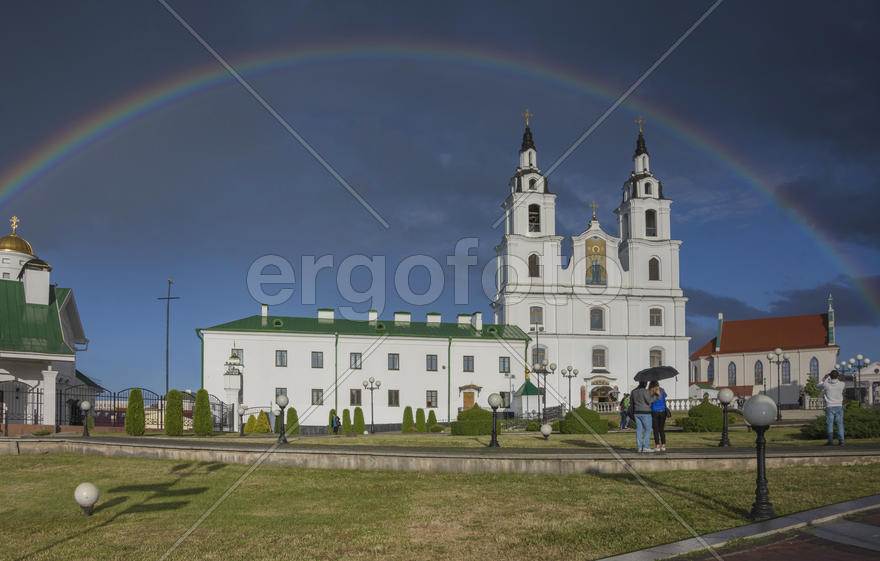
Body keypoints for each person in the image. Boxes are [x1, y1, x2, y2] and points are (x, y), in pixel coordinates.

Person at [819, 370, 845, 446]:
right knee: (840, 424)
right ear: (838, 376)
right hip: (839, 406)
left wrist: (825, 378)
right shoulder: (842, 384)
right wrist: (834, 376)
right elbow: (838, 381)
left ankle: (830, 441)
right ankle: (841, 441)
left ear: (830, 376)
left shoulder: (826, 384)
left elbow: (819, 385)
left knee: (830, 424)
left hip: (829, 406)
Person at [630, 381, 654, 452]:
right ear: (645, 384)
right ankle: (646, 447)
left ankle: (639, 447)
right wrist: (655, 395)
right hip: (645, 412)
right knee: (648, 429)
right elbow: (649, 401)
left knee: (639, 430)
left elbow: (631, 402)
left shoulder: (633, 392)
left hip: (636, 412)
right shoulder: (645, 391)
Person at [649, 381, 668, 451]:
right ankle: (663, 445)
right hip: (662, 411)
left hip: (654, 412)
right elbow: (665, 396)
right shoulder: (662, 390)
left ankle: (657, 445)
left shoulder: (651, 392)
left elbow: (650, 401)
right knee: (661, 429)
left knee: (656, 430)